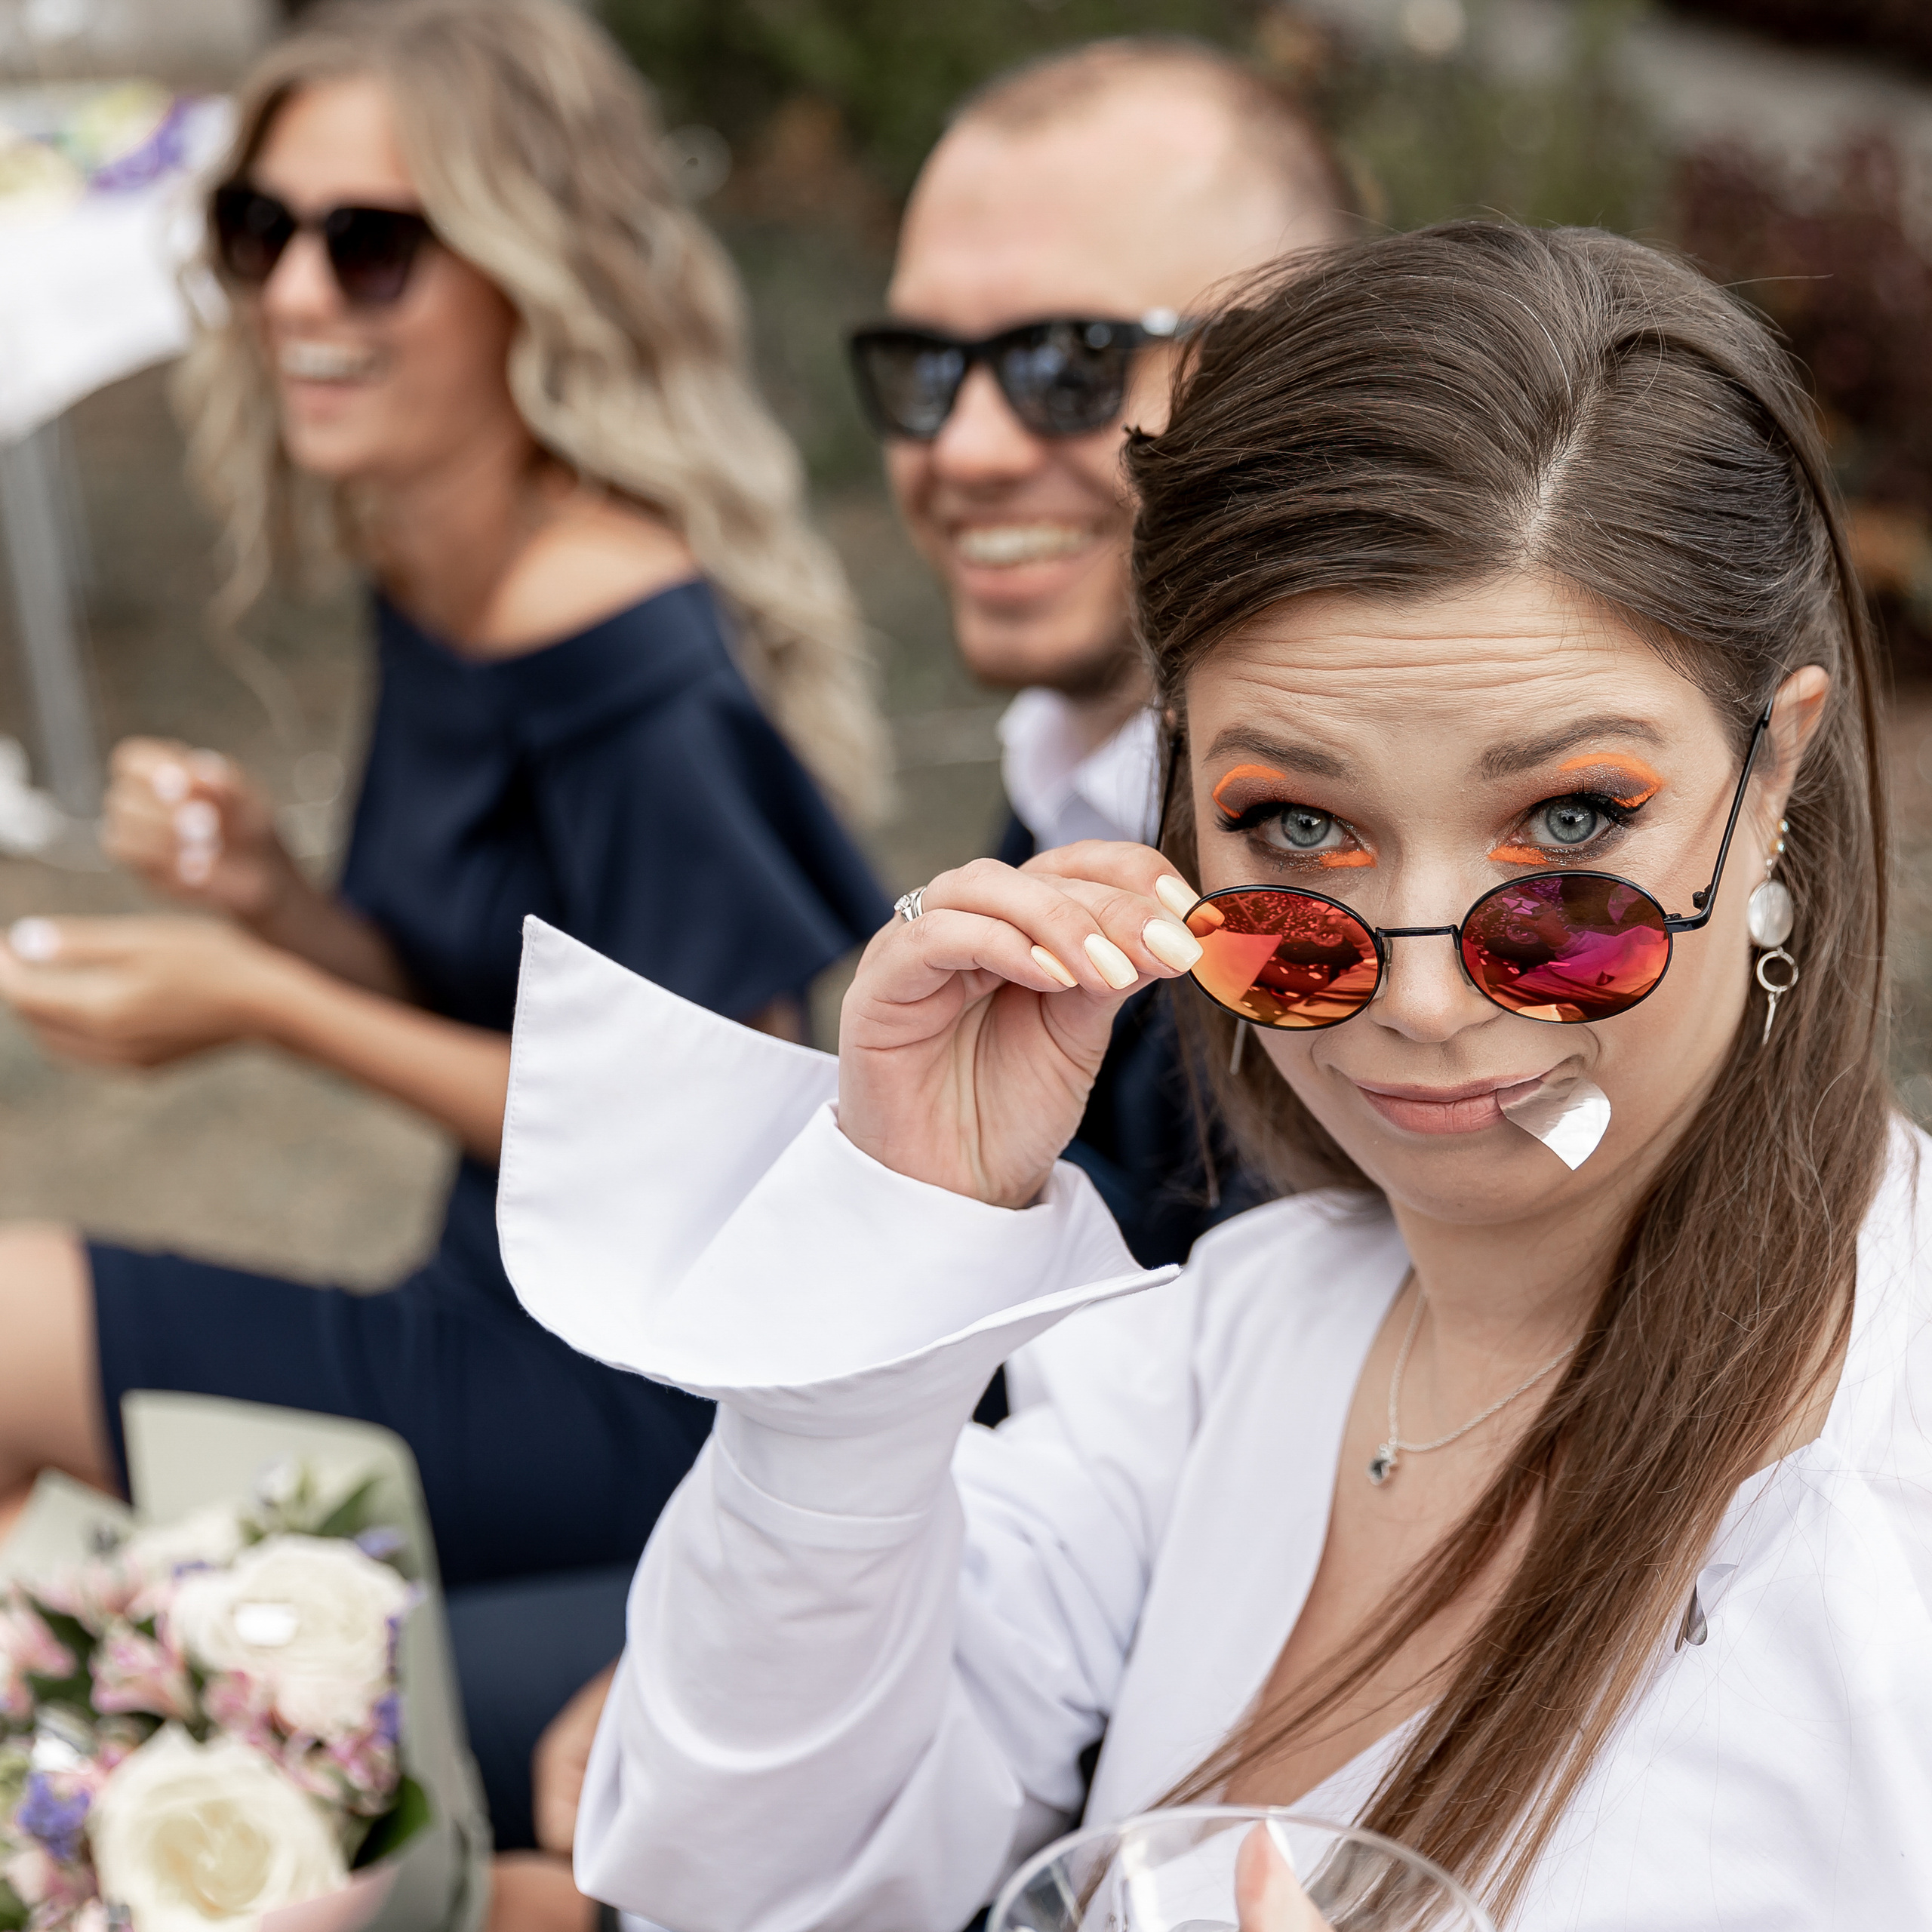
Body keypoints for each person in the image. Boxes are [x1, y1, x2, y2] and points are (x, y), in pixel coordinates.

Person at [500, 223, 1927, 1930]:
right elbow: (747, 1869)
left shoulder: (1872, 1521)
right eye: (1297, 828)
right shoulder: (1246, 1330)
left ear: (1773, 769)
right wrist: (896, 1235)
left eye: (1565, 825)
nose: (1414, 997)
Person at [0, 0, 889, 1886]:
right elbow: (478, 991)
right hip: (492, 1293)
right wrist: (280, 908)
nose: (301, 294)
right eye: (262, 229)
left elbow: (700, 1147)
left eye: (374, 241)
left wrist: (259, 1003)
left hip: (629, 1392)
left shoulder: (631, 658)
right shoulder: (438, 559)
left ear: (526, 274)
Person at [848, 38, 1349, 1271]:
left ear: (1295, 367)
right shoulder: (1079, 761)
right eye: (926, 367)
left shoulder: (1348, 900)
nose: (963, 449)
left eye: (1065, 362)